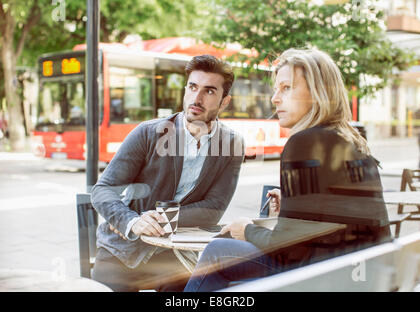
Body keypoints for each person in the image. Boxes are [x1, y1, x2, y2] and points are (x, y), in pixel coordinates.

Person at [184, 48, 391, 292]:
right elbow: (342, 220)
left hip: (325, 279)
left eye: (287, 88)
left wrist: (246, 229)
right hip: (363, 277)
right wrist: (296, 205)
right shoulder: (352, 142)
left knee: (218, 251)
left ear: (317, 94)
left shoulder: (304, 142)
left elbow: (289, 251)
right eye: (276, 89)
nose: (274, 98)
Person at [91, 54, 245, 292]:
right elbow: (103, 190)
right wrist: (133, 220)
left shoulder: (231, 144)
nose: (197, 97)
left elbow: (214, 208)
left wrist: (160, 218)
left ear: (225, 101)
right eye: (192, 87)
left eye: (210, 91)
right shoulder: (148, 133)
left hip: (173, 255)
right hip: (122, 250)